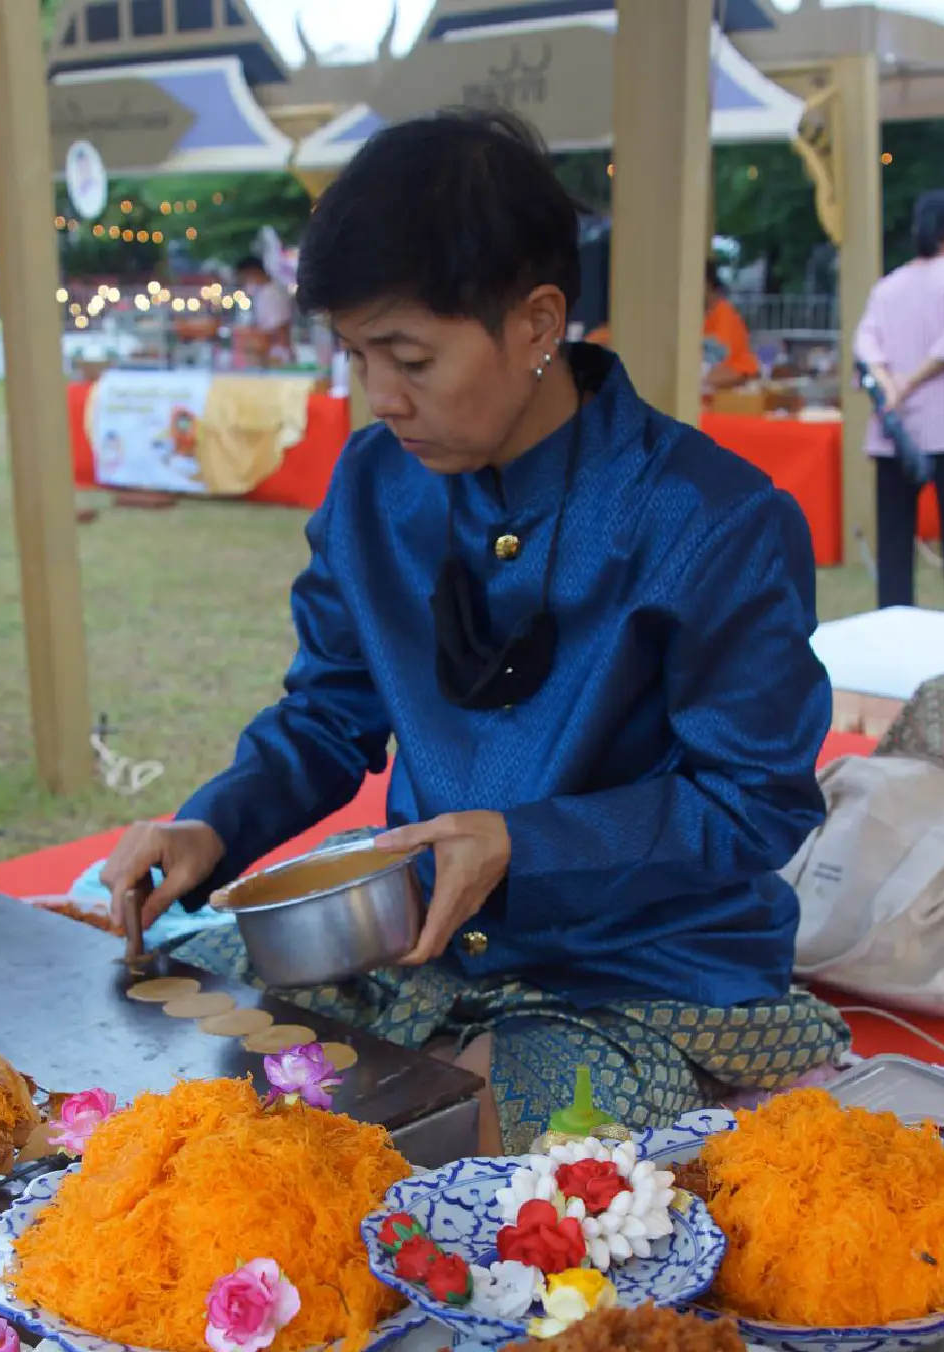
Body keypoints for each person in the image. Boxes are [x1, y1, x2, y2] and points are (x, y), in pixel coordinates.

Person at [104, 112, 846, 1155]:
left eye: (409, 356)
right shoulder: (373, 486)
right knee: (179, 1054)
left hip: (638, 969)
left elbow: (755, 801)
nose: (382, 398)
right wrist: (212, 826)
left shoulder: (711, 520)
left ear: (540, 321)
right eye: (358, 355)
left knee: (450, 1148)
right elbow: (330, 712)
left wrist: (525, 844)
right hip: (414, 944)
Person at [853, 190, 944, 617]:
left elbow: (866, 346)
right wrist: (911, 382)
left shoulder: (888, 286)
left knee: (895, 544)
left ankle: (894, 627)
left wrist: (891, 387)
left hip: (893, 430)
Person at [703, 260, 759, 392]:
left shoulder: (724, 313)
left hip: (734, 377)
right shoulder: (705, 313)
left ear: (707, 283)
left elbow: (720, 357)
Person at [234, 254, 294, 366]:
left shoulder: (274, 293)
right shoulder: (261, 291)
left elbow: (281, 329)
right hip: (267, 352)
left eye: (244, 277)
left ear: (252, 272)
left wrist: (254, 337)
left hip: (278, 355)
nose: (244, 282)